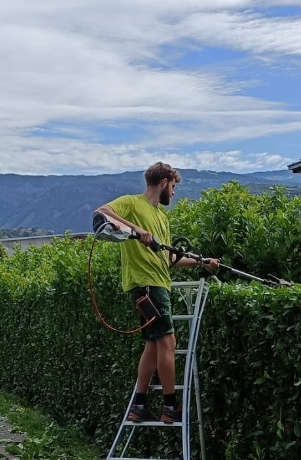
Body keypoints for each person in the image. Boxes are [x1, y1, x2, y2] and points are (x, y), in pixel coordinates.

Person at [94, 162, 219, 424]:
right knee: (168, 343)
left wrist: (202, 261)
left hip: (159, 283)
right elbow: (103, 212)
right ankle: (170, 406)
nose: (173, 193)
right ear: (163, 182)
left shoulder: (162, 217)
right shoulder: (132, 203)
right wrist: (138, 231)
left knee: (153, 344)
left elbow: (169, 259)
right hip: (146, 285)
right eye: (173, 187)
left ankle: (139, 405)